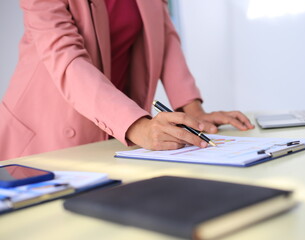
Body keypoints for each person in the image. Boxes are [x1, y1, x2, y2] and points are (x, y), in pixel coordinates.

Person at [0, 0, 254, 161]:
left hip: (114, 125)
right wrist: (137, 126)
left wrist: (193, 113)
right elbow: (67, 59)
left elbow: (164, 37)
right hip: (46, 130)